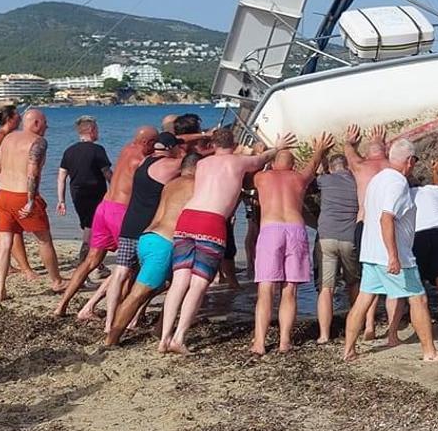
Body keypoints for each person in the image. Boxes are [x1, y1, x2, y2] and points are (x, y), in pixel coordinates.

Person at [158, 127, 294, 354]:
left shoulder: (202, 163)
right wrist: (278, 148)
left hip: (187, 217)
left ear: (213, 144)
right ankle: (179, 337)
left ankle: (164, 337)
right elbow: (262, 158)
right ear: (233, 143)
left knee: (180, 280)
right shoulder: (239, 162)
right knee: (199, 283)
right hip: (211, 222)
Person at [342, 139, 438, 363]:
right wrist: (393, 255)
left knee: (364, 300)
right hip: (392, 254)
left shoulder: (377, 180)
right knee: (418, 299)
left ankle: (348, 350)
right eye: (414, 161)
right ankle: (429, 352)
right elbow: (387, 218)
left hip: (371, 251)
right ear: (410, 161)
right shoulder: (397, 183)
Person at [52, 125, 157, 319]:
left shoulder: (127, 148)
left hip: (104, 207)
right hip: (121, 211)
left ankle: (61, 306)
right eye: (154, 142)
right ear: (146, 143)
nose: (156, 146)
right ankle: (118, 312)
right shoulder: (142, 160)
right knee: (130, 265)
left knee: (91, 260)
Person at [105, 152, 201, 347]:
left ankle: (160, 330)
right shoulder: (194, 186)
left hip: (147, 237)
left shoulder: (170, 184)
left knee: (172, 285)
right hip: (164, 243)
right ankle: (111, 340)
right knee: (138, 293)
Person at [251, 132, 334, 355]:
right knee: (290, 289)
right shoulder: (299, 178)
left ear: (273, 163)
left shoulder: (261, 177)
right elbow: (314, 163)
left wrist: (264, 154)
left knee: (266, 288)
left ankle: (259, 342)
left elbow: (257, 165)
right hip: (295, 230)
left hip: (271, 229)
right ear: (293, 164)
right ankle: (284, 341)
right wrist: (319, 148)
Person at [0, 109, 65, 302]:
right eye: (45, 122)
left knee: (4, 243)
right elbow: (32, 172)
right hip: (22, 195)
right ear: (35, 123)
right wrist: (32, 200)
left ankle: (0, 290)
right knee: (44, 239)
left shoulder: (7, 138)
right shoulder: (38, 142)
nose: (47, 126)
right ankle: (56, 280)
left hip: (3, 194)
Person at [396, 156, 438, 347]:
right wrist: (436, 173)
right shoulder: (434, 190)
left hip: (418, 236)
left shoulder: (404, 194)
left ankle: (424, 338)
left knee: (416, 291)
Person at [343, 124, 391, 337]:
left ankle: (370, 326)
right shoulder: (393, 167)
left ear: (367, 153)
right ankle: (392, 328)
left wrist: (348, 142)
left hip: (365, 225)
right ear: (386, 150)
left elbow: (349, 154)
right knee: (393, 273)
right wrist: (384, 145)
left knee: (368, 278)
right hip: (388, 224)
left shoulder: (360, 166)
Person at [0, 106, 38, 281]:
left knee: (6, 228)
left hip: (4, 184)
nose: (21, 118)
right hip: (0, 184)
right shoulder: (2, 134)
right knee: (11, 228)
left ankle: (9, 265)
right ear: (11, 117)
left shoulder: (9, 134)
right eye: (18, 115)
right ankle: (25, 268)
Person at [314, 154, 361, 344]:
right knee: (353, 283)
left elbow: (315, 173)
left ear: (331, 168)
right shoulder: (356, 181)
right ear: (347, 166)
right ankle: (360, 325)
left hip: (326, 238)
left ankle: (324, 335)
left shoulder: (324, 180)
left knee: (326, 288)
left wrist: (321, 160)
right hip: (349, 238)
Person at [56, 116, 112, 264]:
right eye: (97, 129)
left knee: (90, 228)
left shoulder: (69, 151)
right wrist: (118, 190)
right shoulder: (98, 150)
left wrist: (61, 200)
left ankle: (96, 265)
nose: (98, 132)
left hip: (77, 195)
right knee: (92, 229)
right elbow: (107, 174)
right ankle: (84, 266)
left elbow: (61, 177)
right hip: (94, 195)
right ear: (92, 130)